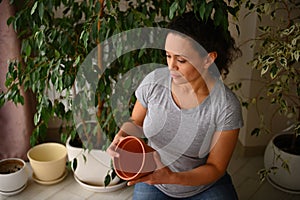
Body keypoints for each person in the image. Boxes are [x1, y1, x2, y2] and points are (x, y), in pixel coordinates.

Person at [107, 12, 243, 200]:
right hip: (156, 181)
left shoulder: (226, 106)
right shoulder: (154, 82)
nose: (171, 67)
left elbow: (216, 168)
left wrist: (173, 177)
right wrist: (123, 136)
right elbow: (136, 121)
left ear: (208, 59)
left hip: (203, 186)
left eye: (181, 60)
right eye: (168, 56)